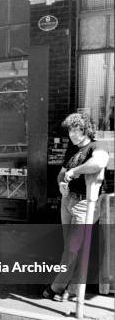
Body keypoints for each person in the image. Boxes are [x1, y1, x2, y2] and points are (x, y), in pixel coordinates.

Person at [43, 113, 109, 301]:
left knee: (73, 248)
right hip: (68, 200)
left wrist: (75, 170)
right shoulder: (72, 150)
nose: (72, 134)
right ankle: (71, 290)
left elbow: (98, 163)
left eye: (76, 129)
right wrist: (61, 184)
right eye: (70, 130)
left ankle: (56, 287)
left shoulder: (97, 146)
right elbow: (61, 173)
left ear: (86, 129)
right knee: (70, 248)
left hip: (85, 204)